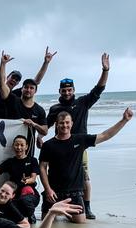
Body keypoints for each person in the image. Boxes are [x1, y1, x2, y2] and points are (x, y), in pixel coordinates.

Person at [44, 53, 111, 219]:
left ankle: (86, 206)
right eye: (64, 90)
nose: (67, 92)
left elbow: (99, 89)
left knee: (85, 176)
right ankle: (57, 202)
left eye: (69, 90)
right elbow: (46, 127)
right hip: (59, 148)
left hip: (79, 146)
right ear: (59, 91)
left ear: (73, 90)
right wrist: (39, 136)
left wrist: (105, 70)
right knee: (56, 175)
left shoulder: (83, 103)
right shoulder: (55, 109)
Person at [39, 108, 133, 223]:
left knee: (80, 222)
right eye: (62, 123)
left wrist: (124, 120)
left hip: (74, 192)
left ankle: (67, 212)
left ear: (72, 123)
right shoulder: (48, 145)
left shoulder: (80, 139)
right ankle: (62, 211)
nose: (65, 125)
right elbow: (42, 167)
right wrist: (48, 189)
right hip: (53, 192)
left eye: (67, 122)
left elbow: (105, 135)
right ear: (56, 125)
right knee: (47, 222)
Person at [0, 135, 40, 224]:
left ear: (26, 146)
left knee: (25, 199)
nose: (19, 147)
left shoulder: (32, 160)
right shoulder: (10, 162)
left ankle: (29, 215)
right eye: (16, 145)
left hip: (30, 194)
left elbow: (33, 179)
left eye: (22, 145)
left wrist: (26, 181)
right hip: (13, 196)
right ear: (13, 146)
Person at [0, 51, 48, 157]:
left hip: (28, 151)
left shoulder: (39, 110)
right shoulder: (13, 100)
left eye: (31, 88)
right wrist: (3, 64)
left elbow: (45, 131)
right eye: (26, 87)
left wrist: (34, 124)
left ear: (35, 91)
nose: (28, 90)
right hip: (8, 148)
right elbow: (2, 85)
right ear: (22, 89)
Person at [0, 47, 56, 119]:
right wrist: (2, 64)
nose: (14, 80)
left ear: (18, 83)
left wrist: (46, 63)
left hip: (9, 127)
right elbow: (1, 82)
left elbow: (36, 82)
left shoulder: (16, 94)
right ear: (7, 76)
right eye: (13, 77)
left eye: (17, 79)